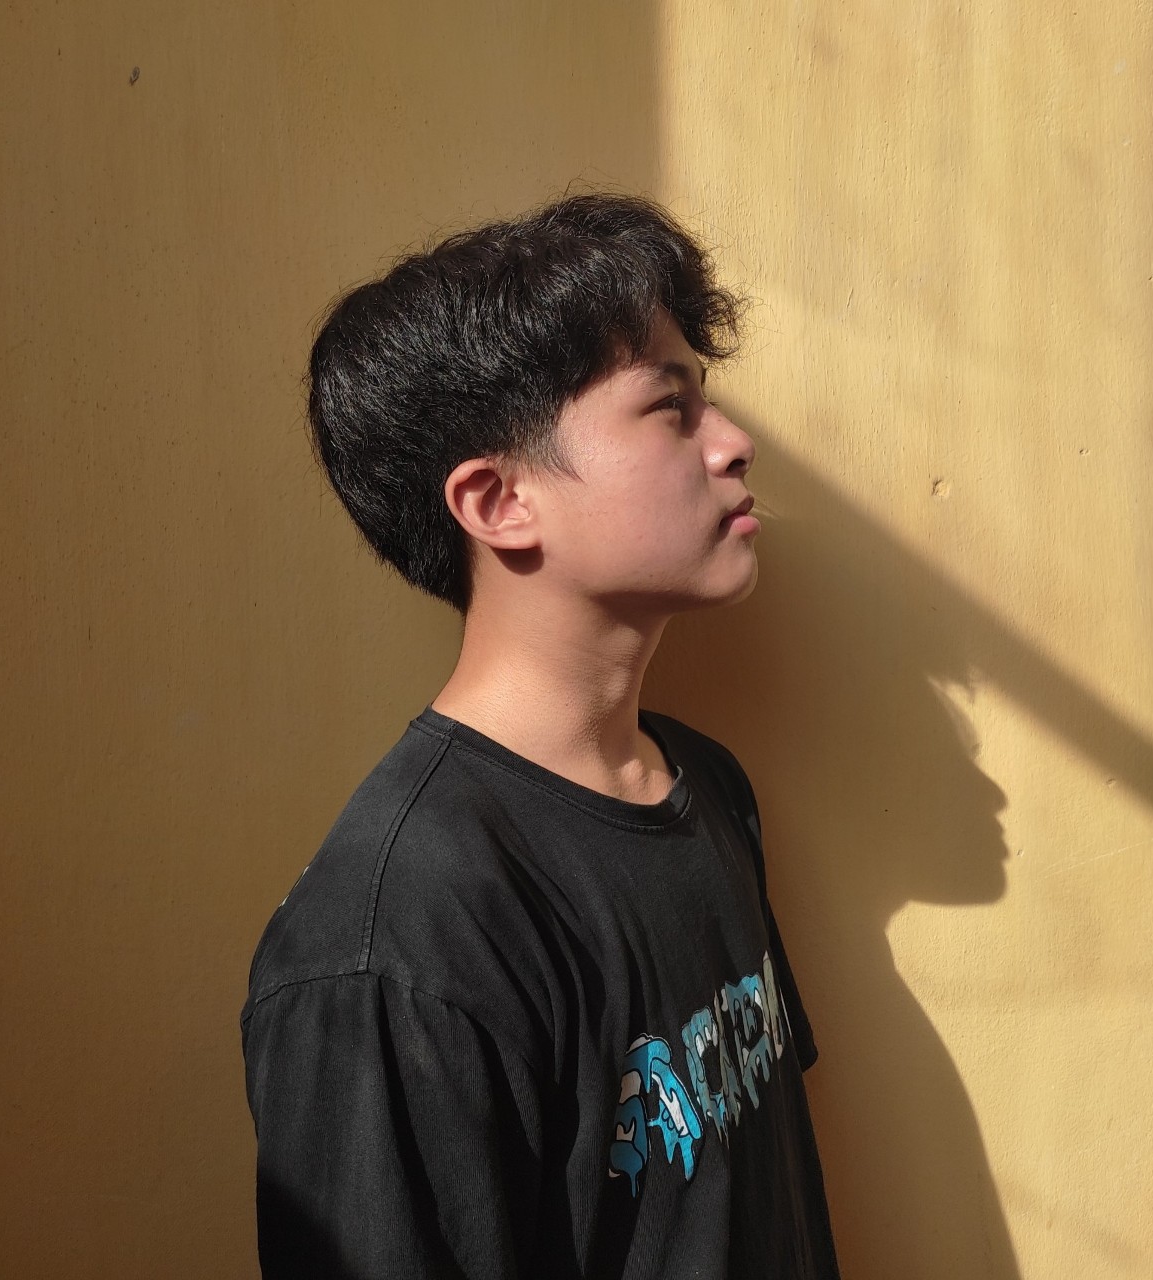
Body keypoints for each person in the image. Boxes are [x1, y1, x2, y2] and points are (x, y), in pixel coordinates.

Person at [241, 193, 841, 1279]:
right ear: (499, 501)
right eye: (669, 408)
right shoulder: (393, 941)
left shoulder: (706, 786)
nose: (733, 443)